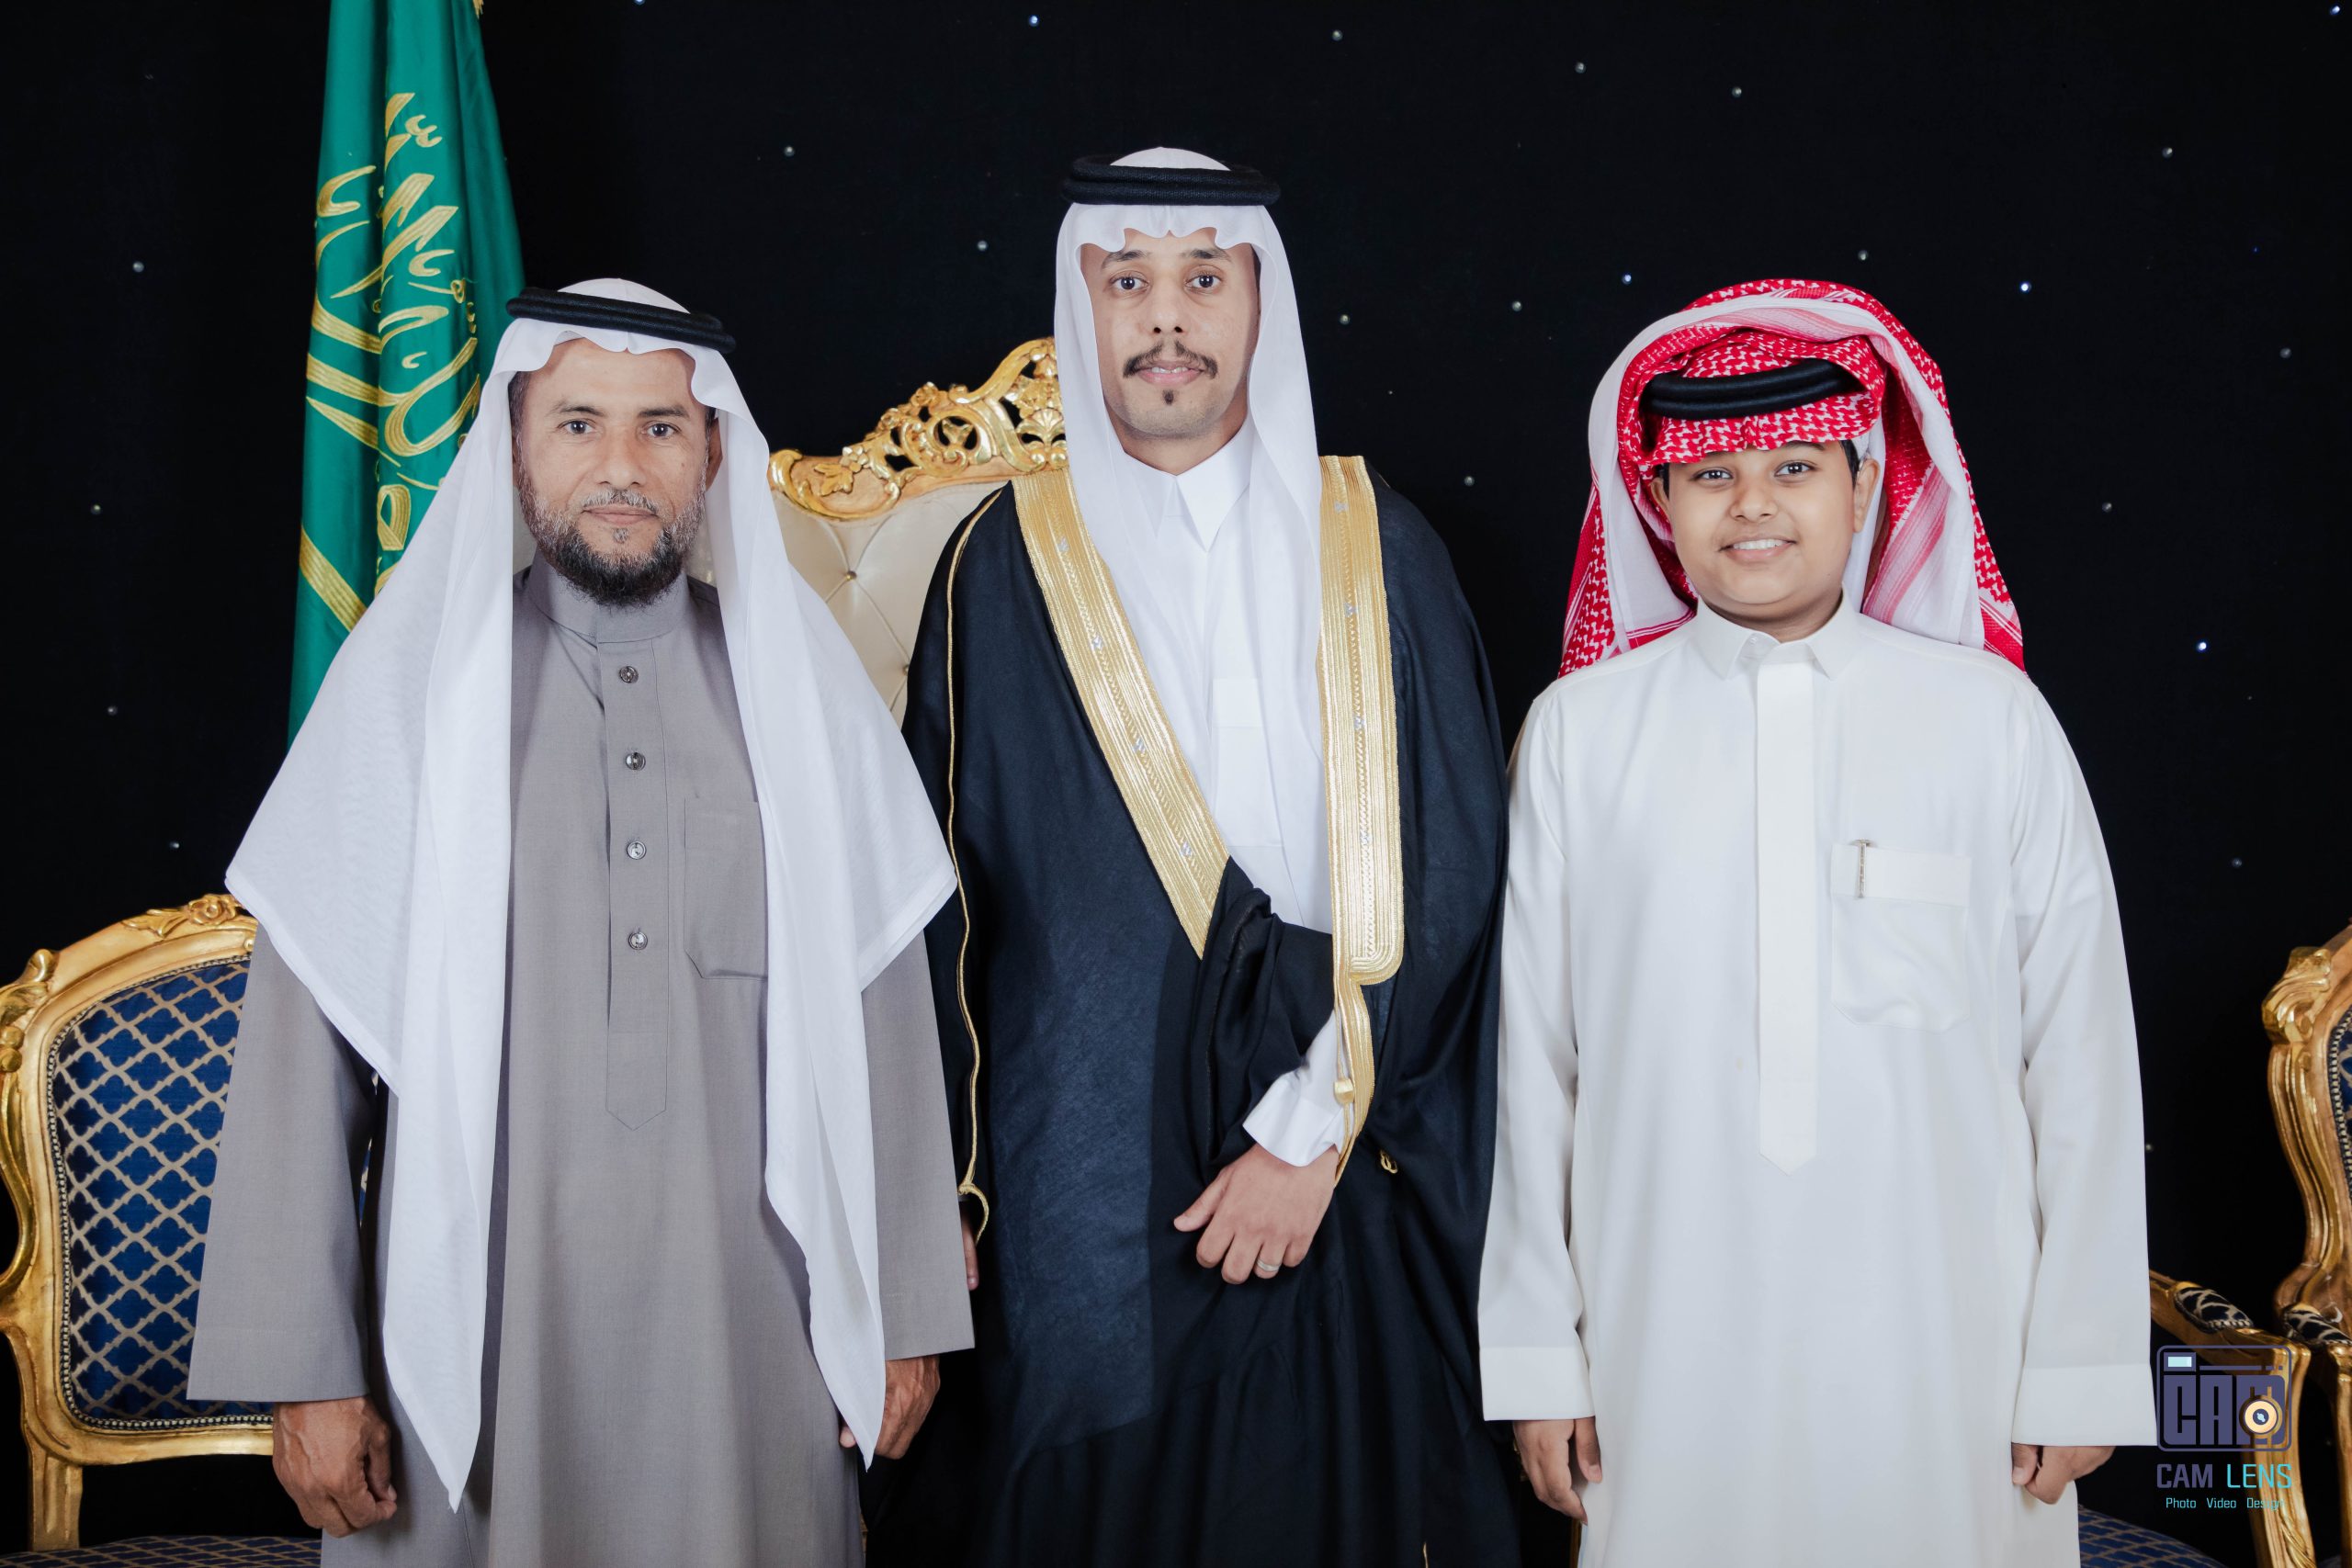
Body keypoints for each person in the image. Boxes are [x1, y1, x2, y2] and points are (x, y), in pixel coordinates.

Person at [189, 280, 971, 1565]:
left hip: (756, 1346)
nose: (621, 466)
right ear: (514, 448)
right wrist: (304, 1372)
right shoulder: (409, 698)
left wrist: (904, 1312)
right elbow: (298, 1048)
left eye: (660, 427)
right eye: (578, 424)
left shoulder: (800, 696)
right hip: (478, 1343)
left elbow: (883, 1018)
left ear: (712, 452)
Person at [863, 151, 1522, 1566]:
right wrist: (942, 1192)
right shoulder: (1001, 562)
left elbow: (1459, 867)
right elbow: (937, 909)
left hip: (1350, 1132)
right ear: (1082, 308)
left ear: (1261, 306)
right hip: (1086, 1155)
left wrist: (1312, 1127)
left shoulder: (1382, 543)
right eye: (1129, 282)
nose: (1167, 315)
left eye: (1204, 279)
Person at [1481, 278, 2154, 1566]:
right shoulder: (1580, 736)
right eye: (1710, 474)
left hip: (1951, 1347)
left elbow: (2081, 1060)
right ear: (1658, 506)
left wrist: (2081, 1362)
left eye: (1794, 466)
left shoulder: (1991, 723)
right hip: (1659, 1336)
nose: (1753, 506)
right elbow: (1527, 1076)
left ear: (1865, 484)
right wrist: (1535, 1357)